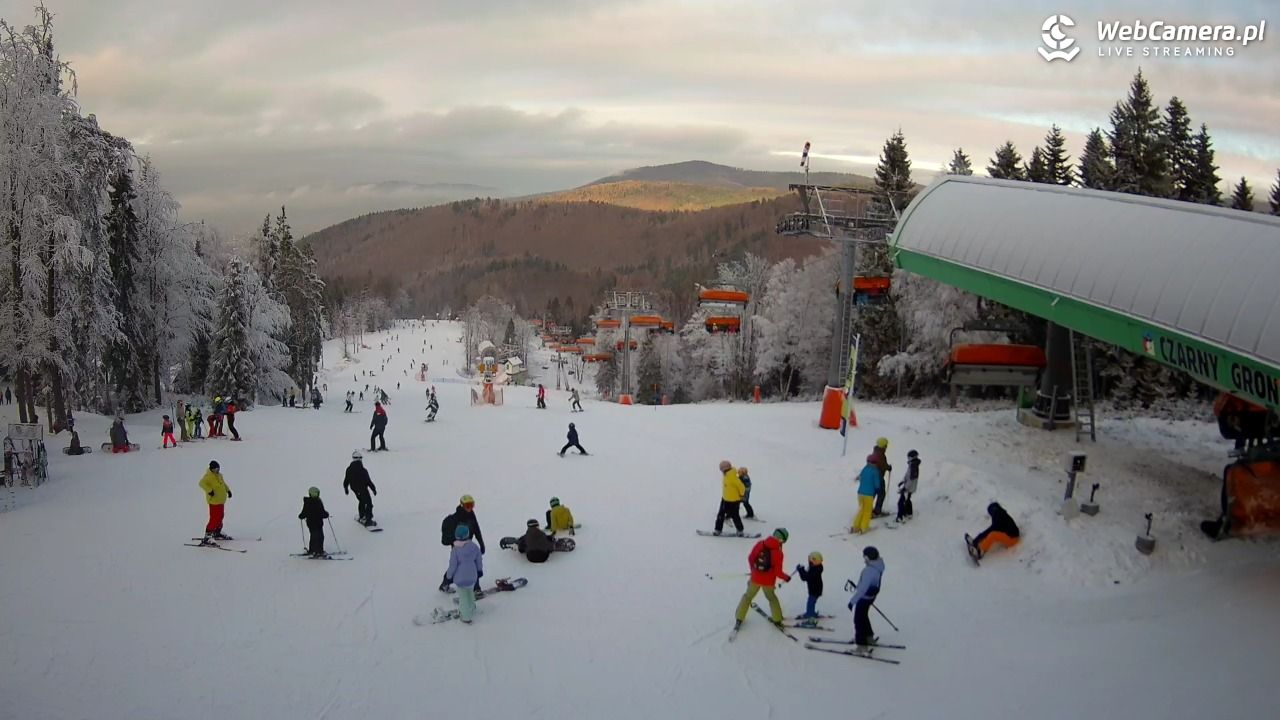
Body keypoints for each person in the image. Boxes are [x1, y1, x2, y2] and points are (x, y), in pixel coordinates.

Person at [733, 528, 792, 630]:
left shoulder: (761, 544)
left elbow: (751, 558)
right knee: (772, 598)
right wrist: (786, 577)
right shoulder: (778, 553)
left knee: (748, 596)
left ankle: (739, 617)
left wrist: (753, 570)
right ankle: (777, 619)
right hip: (768, 582)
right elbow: (778, 572)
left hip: (755, 578)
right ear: (782, 540)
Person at [439, 495, 485, 592]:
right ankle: (445, 583)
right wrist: (456, 541)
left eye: (472, 505)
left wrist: (481, 543)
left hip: (469, 545)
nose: (470, 508)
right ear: (462, 505)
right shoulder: (455, 518)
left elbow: (476, 529)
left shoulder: (471, 515)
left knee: (473, 564)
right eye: (467, 506)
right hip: (458, 547)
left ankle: (476, 588)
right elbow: (448, 537)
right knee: (457, 565)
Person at [848, 546, 885, 651]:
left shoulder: (869, 570)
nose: (864, 559)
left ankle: (861, 646)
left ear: (868, 557)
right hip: (871, 597)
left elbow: (862, 589)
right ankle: (869, 637)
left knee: (858, 620)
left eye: (865, 556)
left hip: (864, 598)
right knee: (863, 616)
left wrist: (852, 602)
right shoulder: (879, 566)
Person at [446, 524, 484, 624]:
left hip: (460, 578)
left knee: (463, 597)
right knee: (470, 592)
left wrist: (449, 576)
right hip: (472, 576)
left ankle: (466, 616)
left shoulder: (455, 550)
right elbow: (479, 559)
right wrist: (479, 570)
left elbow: (453, 565)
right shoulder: (474, 546)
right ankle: (471, 607)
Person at [199, 460, 232, 542]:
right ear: (211, 469)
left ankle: (217, 532)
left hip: (221, 500)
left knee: (220, 516)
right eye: (215, 469)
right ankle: (208, 536)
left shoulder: (219, 475)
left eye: (218, 468)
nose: (217, 470)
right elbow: (201, 483)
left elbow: (223, 484)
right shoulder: (208, 476)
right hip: (214, 501)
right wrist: (209, 490)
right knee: (214, 518)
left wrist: (228, 490)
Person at [343, 450, 378, 526]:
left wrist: (346, 488)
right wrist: (373, 489)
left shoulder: (349, 469)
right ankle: (368, 519)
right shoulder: (363, 470)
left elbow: (346, 479)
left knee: (361, 501)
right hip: (362, 489)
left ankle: (362, 515)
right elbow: (368, 481)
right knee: (368, 503)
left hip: (355, 489)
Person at [714, 460, 746, 536]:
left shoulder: (733, 477)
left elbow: (742, 487)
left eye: (722, 470)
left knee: (735, 515)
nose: (721, 472)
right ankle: (717, 530)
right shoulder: (726, 475)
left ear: (725, 469)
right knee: (720, 514)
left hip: (734, 501)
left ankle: (740, 530)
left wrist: (741, 495)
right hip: (725, 499)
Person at [298, 487, 330, 557]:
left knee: (314, 536)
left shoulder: (308, 502)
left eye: (316, 494)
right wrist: (326, 514)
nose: (315, 495)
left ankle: (312, 550)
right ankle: (319, 551)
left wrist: (301, 515)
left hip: (313, 523)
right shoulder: (317, 502)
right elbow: (321, 513)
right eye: (314, 494)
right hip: (316, 523)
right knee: (319, 537)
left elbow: (305, 512)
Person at [794, 551, 824, 625]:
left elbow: (805, 577)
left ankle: (811, 619)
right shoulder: (816, 567)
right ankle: (810, 613)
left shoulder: (815, 570)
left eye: (810, 561)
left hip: (815, 590)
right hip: (815, 589)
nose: (809, 563)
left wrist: (801, 570)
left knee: (810, 603)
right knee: (811, 602)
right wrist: (802, 569)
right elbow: (807, 574)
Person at [852, 456, 879, 534]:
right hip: (869, 494)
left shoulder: (865, 469)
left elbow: (860, 477)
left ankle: (856, 526)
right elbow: (877, 484)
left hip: (860, 493)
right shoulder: (875, 471)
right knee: (867, 511)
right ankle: (864, 527)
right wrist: (878, 489)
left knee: (861, 510)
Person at [896, 450, 920, 523]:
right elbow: (908, 475)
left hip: (909, 487)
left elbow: (911, 479)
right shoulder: (912, 464)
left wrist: (905, 488)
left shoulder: (913, 466)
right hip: (909, 486)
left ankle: (900, 517)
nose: (908, 458)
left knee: (901, 502)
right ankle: (909, 513)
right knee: (907, 499)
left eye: (909, 457)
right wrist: (903, 481)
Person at [870, 437, 892, 517]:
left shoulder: (876, 452)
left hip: (873, 477)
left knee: (873, 493)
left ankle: (867, 510)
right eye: (886, 445)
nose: (886, 447)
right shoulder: (880, 454)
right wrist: (888, 467)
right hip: (878, 478)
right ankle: (876, 512)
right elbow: (882, 465)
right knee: (881, 494)